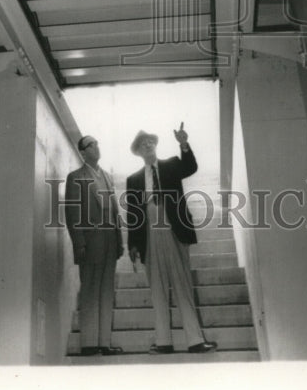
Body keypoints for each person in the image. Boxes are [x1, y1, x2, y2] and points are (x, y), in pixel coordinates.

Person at [125, 122, 217, 355]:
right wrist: (133, 245)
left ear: (155, 145)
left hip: (174, 227)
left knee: (182, 283)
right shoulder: (133, 180)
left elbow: (191, 166)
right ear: (137, 151)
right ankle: (163, 342)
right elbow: (133, 215)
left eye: (150, 141)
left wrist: (184, 144)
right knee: (157, 287)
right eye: (142, 144)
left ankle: (195, 341)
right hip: (149, 232)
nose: (147, 145)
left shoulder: (172, 165)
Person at [64, 134, 124, 356]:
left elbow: (115, 212)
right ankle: (89, 344)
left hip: (110, 242)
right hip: (89, 243)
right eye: (92, 144)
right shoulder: (75, 177)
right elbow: (72, 213)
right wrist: (79, 243)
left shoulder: (107, 177)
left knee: (106, 291)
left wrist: (119, 241)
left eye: (98, 143)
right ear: (83, 152)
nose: (97, 147)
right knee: (90, 292)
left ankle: (104, 343)